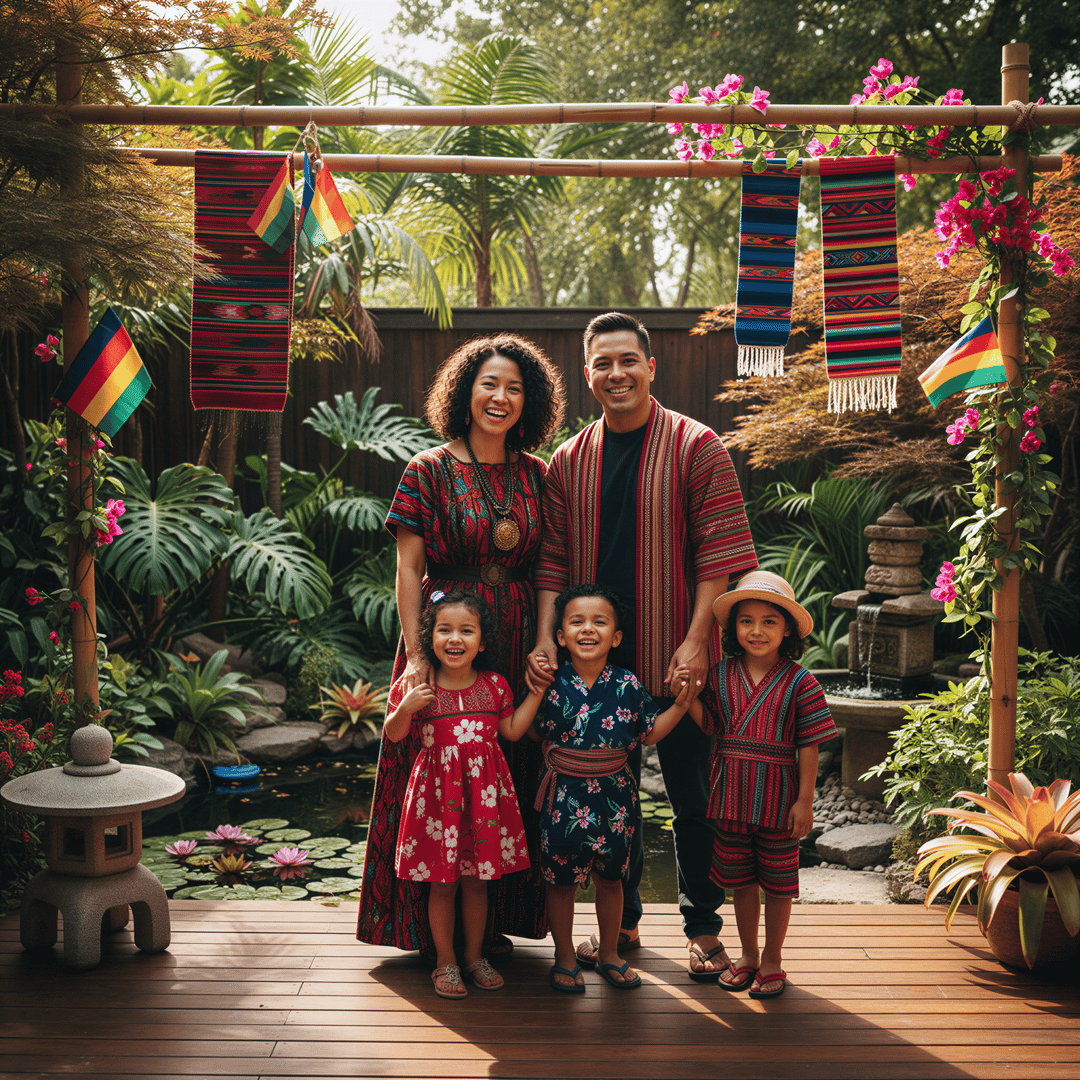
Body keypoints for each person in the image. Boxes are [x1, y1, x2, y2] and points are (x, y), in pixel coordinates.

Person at [528, 311, 758, 982]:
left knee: (692, 801)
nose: (616, 373)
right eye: (603, 363)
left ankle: (703, 929)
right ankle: (621, 922)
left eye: (628, 360)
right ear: (588, 373)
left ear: (650, 367)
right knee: (609, 802)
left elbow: (718, 553)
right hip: (595, 672)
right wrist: (547, 640)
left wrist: (696, 641)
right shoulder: (570, 461)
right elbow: (551, 561)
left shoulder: (696, 445)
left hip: (677, 655)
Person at [358, 334, 566, 956]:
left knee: (511, 768)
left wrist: (544, 641)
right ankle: (423, 928)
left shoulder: (538, 472)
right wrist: (417, 652)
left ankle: (494, 925)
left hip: (518, 633)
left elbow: (550, 563)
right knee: (430, 772)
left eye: (514, 388)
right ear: (464, 392)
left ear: (528, 402)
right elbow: (407, 568)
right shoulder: (428, 469)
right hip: (445, 631)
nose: (500, 398)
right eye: (489, 384)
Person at [507, 585, 695, 993]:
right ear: (560, 636)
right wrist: (533, 691)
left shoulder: (628, 684)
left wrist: (680, 704)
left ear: (617, 637)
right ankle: (564, 957)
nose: (587, 629)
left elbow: (649, 734)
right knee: (560, 882)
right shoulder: (549, 683)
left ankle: (609, 952)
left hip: (615, 799)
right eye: (576, 622)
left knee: (613, 880)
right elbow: (530, 731)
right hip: (563, 797)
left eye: (599, 622)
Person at [386, 590, 547, 998]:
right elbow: (395, 733)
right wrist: (405, 707)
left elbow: (511, 732)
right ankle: (445, 962)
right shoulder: (419, 685)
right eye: (444, 630)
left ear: (483, 641)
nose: (454, 639)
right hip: (438, 805)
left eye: (466, 630)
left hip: (484, 803)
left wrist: (538, 694)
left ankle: (475, 956)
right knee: (442, 884)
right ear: (429, 639)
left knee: (477, 883)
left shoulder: (495, 686)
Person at [689, 570, 838, 999]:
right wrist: (688, 700)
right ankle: (749, 956)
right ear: (734, 627)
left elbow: (809, 745)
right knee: (740, 882)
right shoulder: (719, 675)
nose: (756, 630)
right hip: (730, 797)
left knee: (778, 882)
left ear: (786, 628)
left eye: (769, 621)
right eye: (746, 620)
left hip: (777, 800)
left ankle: (773, 959)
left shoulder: (801, 682)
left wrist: (805, 801)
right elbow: (713, 726)